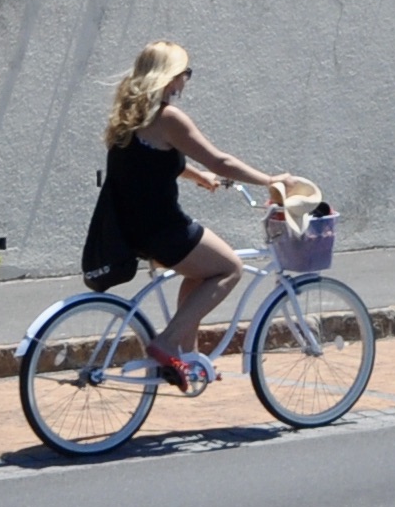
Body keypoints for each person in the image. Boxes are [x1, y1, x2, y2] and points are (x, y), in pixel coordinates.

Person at [96, 41, 284, 393]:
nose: (186, 81)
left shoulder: (131, 117)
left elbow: (155, 162)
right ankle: (167, 343)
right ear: (169, 77)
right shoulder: (168, 117)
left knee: (199, 273)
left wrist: (199, 178)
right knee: (229, 268)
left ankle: (188, 356)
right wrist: (271, 180)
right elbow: (221, 161)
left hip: (131, 228)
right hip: (162, 228)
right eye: (185, 73)